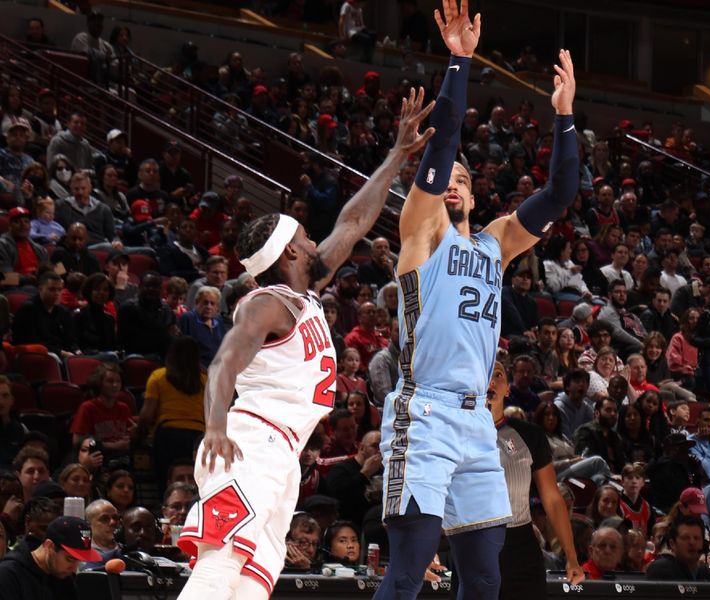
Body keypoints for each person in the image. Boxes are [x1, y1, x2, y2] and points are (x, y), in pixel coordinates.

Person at [174, 84, 435, 600]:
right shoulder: (265, 303)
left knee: (249, 585)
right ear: (292, 249)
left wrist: (397, 155)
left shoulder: (306, 291)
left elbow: (355, 221)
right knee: (218, 567)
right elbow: (225, 360)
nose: (317, 240)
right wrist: (215, 427)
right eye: (307, 237)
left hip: (281, 453)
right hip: (247, 444)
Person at [374, 3, 581, 595]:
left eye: (466, 179)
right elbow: (440, 157)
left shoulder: (496, 244)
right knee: (410, 564)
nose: (455, 185)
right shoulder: (419, 235)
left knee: (486, 574)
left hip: (477, 424)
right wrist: (460, 61)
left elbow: (561, 191)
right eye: (449, 181)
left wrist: (564, 115)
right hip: (426, 411)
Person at [486, 361, 583, 597]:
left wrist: (571, 556)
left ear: (507, 388)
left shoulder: (530, 435)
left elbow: (552, 498)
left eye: (498, 374)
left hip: (521, 546)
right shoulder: (456, 435)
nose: (490, 381)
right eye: (484, 374)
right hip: (473, 545)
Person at [138, 336, 206, 496]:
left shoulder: (158, 376)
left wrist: (138, 433)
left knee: (167, 485)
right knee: (197, 484)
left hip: (168, 437)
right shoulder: (206, 380)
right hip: (198, 438)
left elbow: (147, 414)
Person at [0, 515, 101, 598]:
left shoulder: (64, 577)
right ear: (49, 546)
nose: (74, 568)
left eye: (79, 561)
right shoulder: (8, 574)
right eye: (69, 559)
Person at [645, 514, 710, 581]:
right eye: (685, 538)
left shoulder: (708, 574)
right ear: (672, 543)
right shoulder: (660, 569)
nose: (692, 542)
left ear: (703, 543)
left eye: (696, 538)